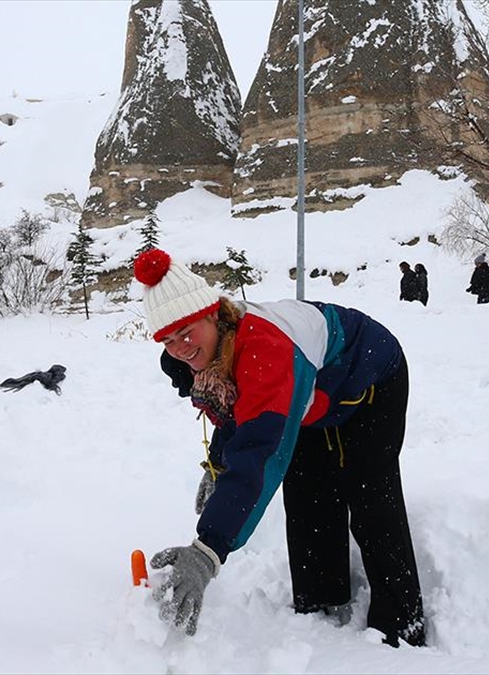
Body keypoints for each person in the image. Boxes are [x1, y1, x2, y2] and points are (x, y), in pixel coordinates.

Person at [135, 248, 426, 647]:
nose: (180, 348)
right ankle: (321, 612)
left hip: (366, 380)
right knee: (307, 496)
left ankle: (401, 628)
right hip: (308, 398)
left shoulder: (264, 352)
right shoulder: (214, 351)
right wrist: (218, 466)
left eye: (186, 333)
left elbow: (259, 455)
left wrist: (207, 551)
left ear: (213, 314)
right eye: (167, 341)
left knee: (369, 496)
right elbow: (238, 413)